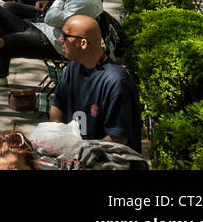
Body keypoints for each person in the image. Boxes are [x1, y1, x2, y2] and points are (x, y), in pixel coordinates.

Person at [50, 15, 142, 150]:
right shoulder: (74, 66)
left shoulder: (116, 82)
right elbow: (57, 105)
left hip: (107, 158)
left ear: (83, 43)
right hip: (75, 152)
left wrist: (81, 153)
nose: (60, 39)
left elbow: (117, 139)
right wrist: (57, 134)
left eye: (65, 35)